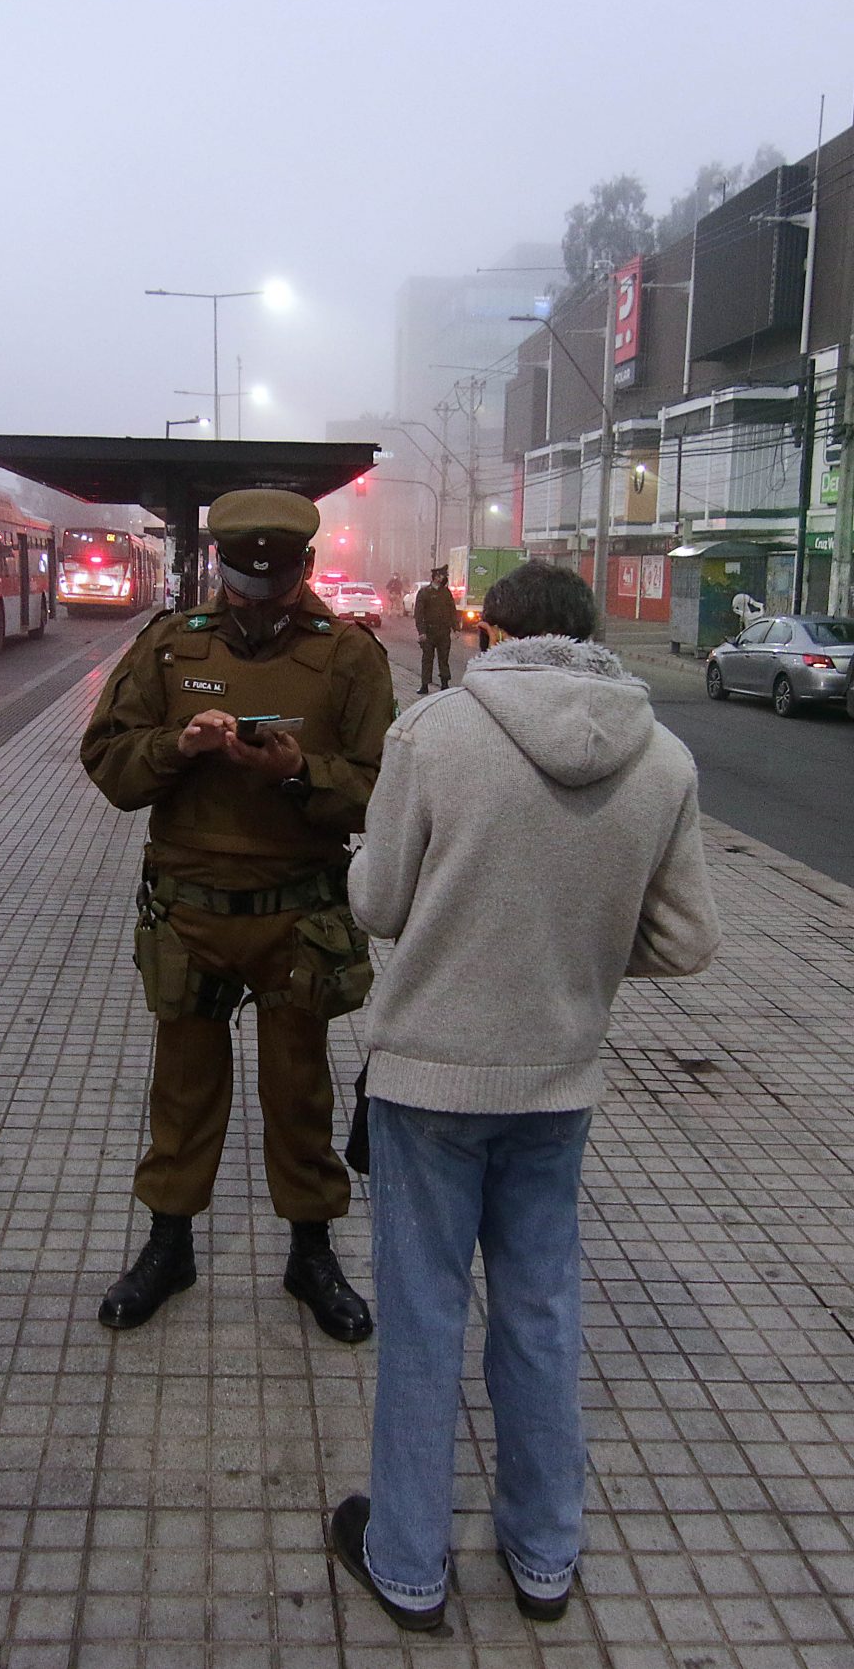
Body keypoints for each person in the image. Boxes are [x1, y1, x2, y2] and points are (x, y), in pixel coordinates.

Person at [326, 559, 720, 1632]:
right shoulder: (663, 755)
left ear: (490, 631)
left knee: (422, 1315)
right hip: (556, 1082)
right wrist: (572, 953)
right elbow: (687, 939)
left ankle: (408, 1562)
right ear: (588, 634)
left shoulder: (434, 734)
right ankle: (545, 1556)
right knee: (541, 1311)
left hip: (430, 1078)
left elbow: (378, 902)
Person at [79, 488, 394, 1342]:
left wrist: (296, 773)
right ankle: (169, 1243)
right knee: (181, 1090)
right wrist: (175, 748)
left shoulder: (350, 658)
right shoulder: (170, 647)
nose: (260, 596)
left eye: (278, 578)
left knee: (300, 1092)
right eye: (244, 578)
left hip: (300, 918)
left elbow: (381, 793)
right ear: (219, 566)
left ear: (305, 569)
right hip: (192, 914)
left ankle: (311, 1250)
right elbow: (106, 762)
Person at [412, 567, 459, 694]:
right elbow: (419, 614)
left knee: (444, 658)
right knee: (427, 658)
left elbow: (452, 611)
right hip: (429, 632)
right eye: (439, 576)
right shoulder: (424, 592)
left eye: (443, 576)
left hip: (443, 632)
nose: (442, 578)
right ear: (434, 577)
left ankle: (444, 683)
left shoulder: (446, 593)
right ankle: (425, 684)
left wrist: (456, 628)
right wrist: (421, 632)